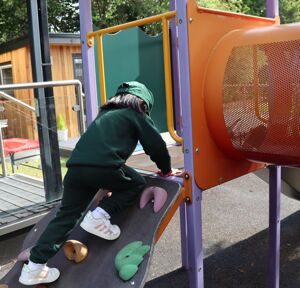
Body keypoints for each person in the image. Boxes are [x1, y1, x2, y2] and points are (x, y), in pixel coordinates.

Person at [19, 81, 179, 285]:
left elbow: (97, 149)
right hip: (103, 168)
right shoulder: (136, 114)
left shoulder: (103, 116)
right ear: (143, 103)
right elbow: (156, 145)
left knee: (65, 217)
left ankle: (34, 268)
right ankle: (100, 216)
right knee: (136, 182)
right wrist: (166, 170)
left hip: (75, 170)